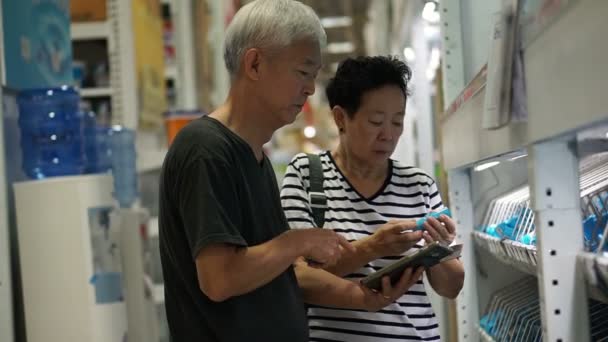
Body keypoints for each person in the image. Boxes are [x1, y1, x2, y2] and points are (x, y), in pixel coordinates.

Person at [159, 2, 424, 341]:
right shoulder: (206, 150)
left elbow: (275, 273)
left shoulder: (254, 157)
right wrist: (297, 241)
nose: (311, 89)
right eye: (303, 72)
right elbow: (219, 278)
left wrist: (365, 296)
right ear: (254, 63)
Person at [281, 55, 465, 342]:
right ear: (341, 118)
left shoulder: (419, 184)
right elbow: (297, 279)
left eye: (397, 121)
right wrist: (373, 247)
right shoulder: (306, 175)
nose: (388, 135)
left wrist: (439, 250)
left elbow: (451, 288)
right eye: (376, 121)